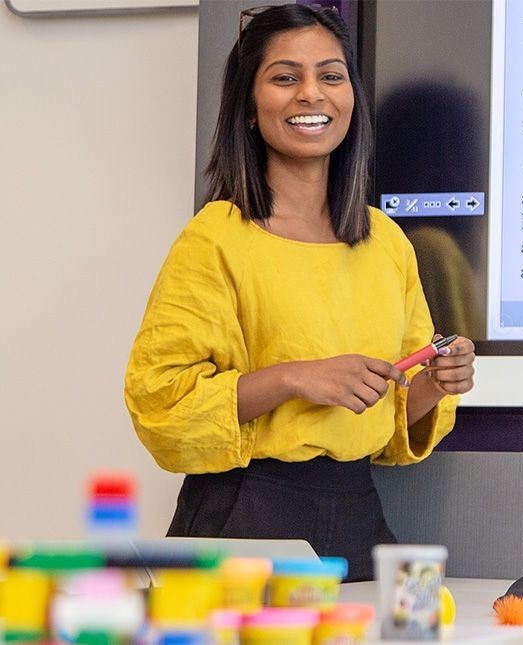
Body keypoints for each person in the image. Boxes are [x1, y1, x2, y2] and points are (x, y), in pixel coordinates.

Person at [124, 3, 475, 581]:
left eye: (331, 76)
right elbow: (160, 405)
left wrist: (434, 384)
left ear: (352, 99)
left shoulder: (386, 241)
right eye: (286, 77)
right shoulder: (214, 239)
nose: (312, 94)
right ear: (249, 104)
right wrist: (293, 377)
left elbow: (387, 428)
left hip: (359, 512)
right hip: (245, 515)